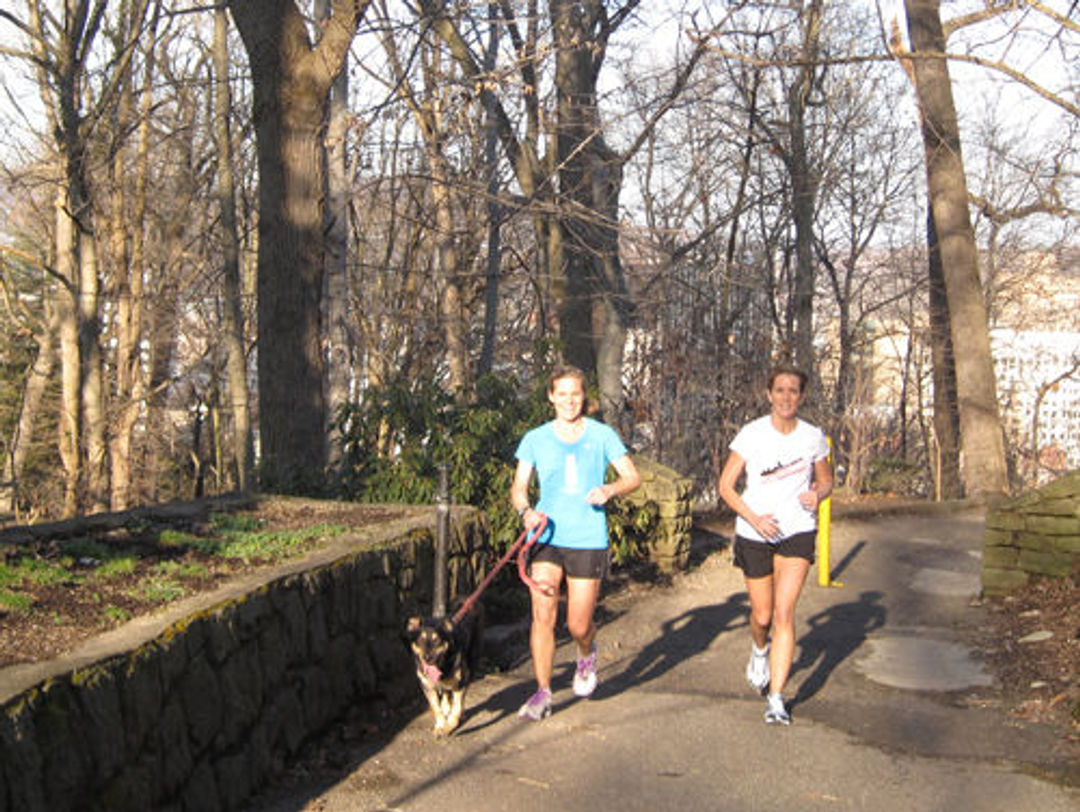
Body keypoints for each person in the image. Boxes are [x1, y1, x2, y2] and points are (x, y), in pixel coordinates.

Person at [510, 366, 641, 720]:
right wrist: (526, 512)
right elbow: (519, 487)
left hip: (587, 537)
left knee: (578, 624)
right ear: (550, 397)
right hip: (546, 535)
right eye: (562, 394)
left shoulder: (602, 435)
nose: (569, 400)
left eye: (575, 394)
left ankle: (586, 653)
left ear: (584, 398)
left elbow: (632, 477)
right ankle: (543, 692)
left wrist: (609, 490)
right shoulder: (535, 439)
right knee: (542, 614)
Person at [718, 365, 833, 725]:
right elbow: (725, 487)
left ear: (802, 396)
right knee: (763, 616)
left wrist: (819, 494)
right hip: (755, 532)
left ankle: (777, 698)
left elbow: (827, 481)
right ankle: (758, 649)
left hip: (797, 529)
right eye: (780, 390)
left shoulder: (813, 436)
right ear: (769, 395)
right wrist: (754, 519)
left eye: (793, 391)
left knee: (784, 613)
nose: (786, 397)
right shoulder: (751, 435)